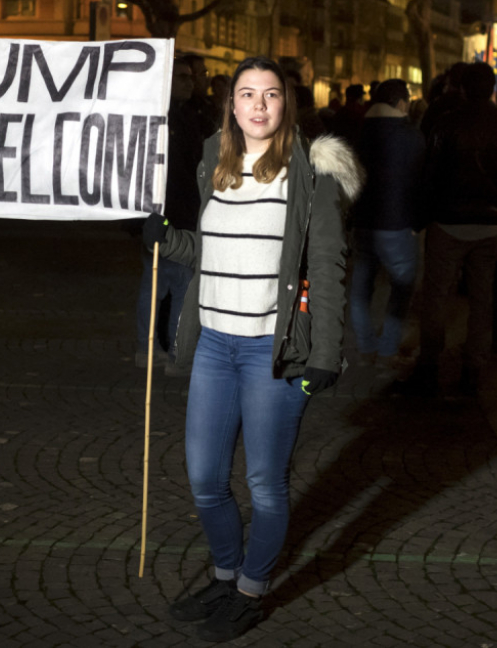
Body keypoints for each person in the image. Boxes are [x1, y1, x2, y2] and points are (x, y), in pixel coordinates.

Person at [143, 56, 361, 642]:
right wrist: (169, 240)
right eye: (247, 94)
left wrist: (325, 352)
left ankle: (250, 589)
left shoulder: (310, 172)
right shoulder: (214, 158)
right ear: (231, 103)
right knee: (205, 477)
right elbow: (211, 250)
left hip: (274, 351)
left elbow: (328, 263)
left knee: (265, 482)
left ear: (286, 103)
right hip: (214, 344)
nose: (258, 105)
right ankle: (222, 573)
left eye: (270, 94)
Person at [404, 62, 497, 396]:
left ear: (463, 89)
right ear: (492, 88)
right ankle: (473, 368)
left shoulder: (446, 125)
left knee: (437, 296)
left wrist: (420, 218)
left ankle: (429, 365)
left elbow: (430, 176)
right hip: (490, 225)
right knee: (482, 298)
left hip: (449, 221)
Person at [349, 79, 425, 364]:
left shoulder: (359, 132)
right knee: (402, 285)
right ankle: (388, 346)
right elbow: (421, 182)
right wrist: (418, 222)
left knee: (360, 287)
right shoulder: (412, 136)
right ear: (402, 103)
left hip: (364, 221)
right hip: (398, 222)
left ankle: (366, 345)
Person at [135, 57, 199, 370]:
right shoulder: (173, 120)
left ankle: (160, 350)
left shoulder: (185, 117)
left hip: (173, 214)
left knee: (169, 288)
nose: (190, 83)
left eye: (192, 77)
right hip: (170, 215)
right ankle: (166, 351)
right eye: (183, 77)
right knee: (170, 288)